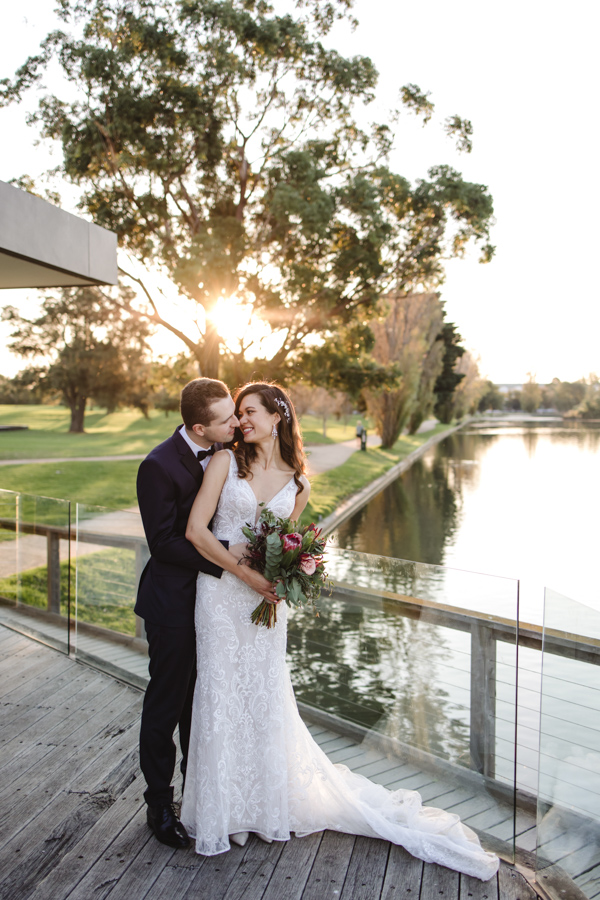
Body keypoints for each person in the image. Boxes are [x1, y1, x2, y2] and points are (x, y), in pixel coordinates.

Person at [179, 382, 499, 881]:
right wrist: (247, 574)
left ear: (278, 416)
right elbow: (196, 532)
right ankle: (225, 813)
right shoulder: (224, 464)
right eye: (238, 414)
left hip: (266, 605)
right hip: (221, 597)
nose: (242, 421)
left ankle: (262, 808)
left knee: (263, 698)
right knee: (220, 695)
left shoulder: (299, 484)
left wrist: (286, 579)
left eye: (250, 412)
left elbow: (288, 542)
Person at [135, 377, 278, 849]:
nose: (237, 422)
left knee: (207, 704)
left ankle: (203, 798)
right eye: (227, 419)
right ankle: (159, 804)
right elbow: (164, 544)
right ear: (200, 427)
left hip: (217, 604)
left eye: (237, 414)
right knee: (168, 704)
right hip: (174, 603)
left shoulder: (230, 452)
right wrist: (229, 557)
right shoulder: (156, 466)